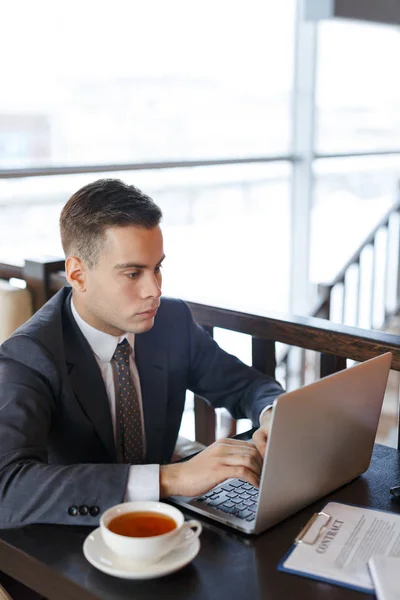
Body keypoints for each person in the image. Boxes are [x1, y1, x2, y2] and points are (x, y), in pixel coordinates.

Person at [0, 178, 283, 528]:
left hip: (169, 526)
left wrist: (274, 415)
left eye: (157, 267)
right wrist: (171, 478)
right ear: (78, 274)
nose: (155, 291)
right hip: (76, 538)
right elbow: (6, 488)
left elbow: (244, 386)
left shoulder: (172, 321)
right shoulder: (29, 355)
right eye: (133, 273)